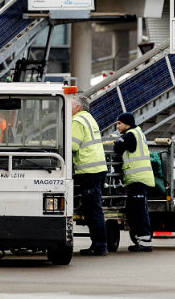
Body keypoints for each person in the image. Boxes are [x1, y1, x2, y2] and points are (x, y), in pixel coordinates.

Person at [71, 95, 108, 257]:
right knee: (93, 208)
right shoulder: (90, 119)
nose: (68, 107)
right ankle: (100, 244)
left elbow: (72, 145)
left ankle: (100, 246)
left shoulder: (78, 121)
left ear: (78, 107)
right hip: (98, 169)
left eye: (71, 104)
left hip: (89, 171)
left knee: (93, 210)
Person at [114, 112, 155, 253]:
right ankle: (141, 240)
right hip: (136, 179)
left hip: (139, 179)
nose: (117, 126)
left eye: (119, 123)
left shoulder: (131, 134)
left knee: (139, 211)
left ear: (127, 123)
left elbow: (117, 148)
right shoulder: (136, 132)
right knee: (133, 211)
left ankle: (145, 242)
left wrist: (117, 142)